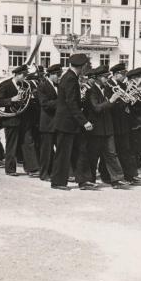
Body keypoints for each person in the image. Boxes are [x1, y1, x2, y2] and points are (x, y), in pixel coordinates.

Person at [50, 53, 95, 191]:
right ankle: (58, 182)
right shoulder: (70, 78)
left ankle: (83, 180)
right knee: (63, 153)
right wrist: (84, 121)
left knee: (79, 151)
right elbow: (71, 104)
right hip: (67, 123)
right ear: (82, 66)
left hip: (70, 123)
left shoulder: (70, 77)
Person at [84, 65, 128, 189]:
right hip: (96, 129)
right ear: (97, 78)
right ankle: (90, 179)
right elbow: (96, 108)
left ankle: (117, 179)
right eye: (104, 77)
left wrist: (121, 100)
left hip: (108, 128)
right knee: (93, 155)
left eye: (107, 77)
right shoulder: (91, 91)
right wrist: (112, 101)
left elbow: (112, 107)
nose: (107, 79)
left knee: (112, 154)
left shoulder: (107, 89)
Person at [0, 64, 40, 177]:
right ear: (16, 74)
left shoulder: (25, 85)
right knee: (12, 145)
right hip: (11, 119)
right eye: (23, 75)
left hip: (24, 119)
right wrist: (12, 99)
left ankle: (32, 169)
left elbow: (27, 100)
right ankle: (10, 169)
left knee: (28, 143)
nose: (25, 78)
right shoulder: (6, 85)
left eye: (25, 75)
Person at [103, 63, 140, 184]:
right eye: (122, 74)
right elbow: (111, 105)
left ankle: (129, 175)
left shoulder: (122, 85)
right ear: (116, 74)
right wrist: (125, 101)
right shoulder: (108, 86)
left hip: (123, 121)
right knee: (113, 151)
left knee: (125, 149)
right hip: (113, 121)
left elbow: (126, 102)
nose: (124, 76)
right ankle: (107, 175)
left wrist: (131, 98)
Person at [37, 63, 62, 181]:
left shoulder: (59, 85)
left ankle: (55, 172)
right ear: (51, 74)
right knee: (46, 152)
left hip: (57, 123)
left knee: (59, 150)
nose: (59, 77)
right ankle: (44, 174)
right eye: (58, 75)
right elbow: (45, 104)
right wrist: (61, 101)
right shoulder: (42, 86)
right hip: (47, 124)